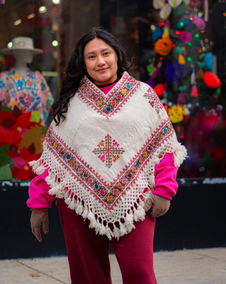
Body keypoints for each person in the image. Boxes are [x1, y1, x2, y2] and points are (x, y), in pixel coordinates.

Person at [27, 27, 187, 284]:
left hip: (136, 201)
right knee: (87, 277)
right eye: (92, 56)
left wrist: (164, 190)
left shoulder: (143, 95)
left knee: (139, 274)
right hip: (77, 202)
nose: (100, 61)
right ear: (83, 62)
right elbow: (53, 159)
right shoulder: (71, 102)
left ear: (117, 55)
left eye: (106, 53)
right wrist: (38, 203)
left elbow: (164, 147)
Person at [0, 36, 54, 126]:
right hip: (12, 132)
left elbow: (47, 102)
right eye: (24, 51)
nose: (29, 54)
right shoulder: (4, 79)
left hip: (35, 131)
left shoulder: (38, 78)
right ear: (15, 53)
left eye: (30, 51)